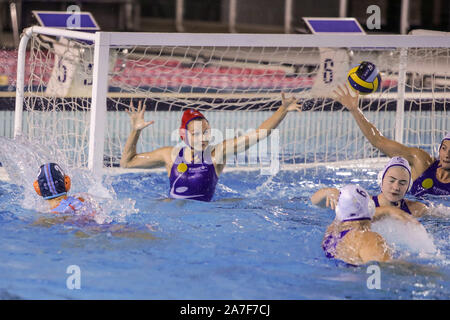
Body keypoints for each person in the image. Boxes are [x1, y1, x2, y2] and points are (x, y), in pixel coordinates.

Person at [120, 94, 300, 201]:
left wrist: (282, 110)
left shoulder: (218, 154)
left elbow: (260, 134)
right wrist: (135, 131)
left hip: (203, 219)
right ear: (183, 135)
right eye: (196, 134)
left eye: (206, 133)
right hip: (173, 214)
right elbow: (127, 163)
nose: (203, 139)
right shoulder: (170, 155)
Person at [333, 84, 449, 198]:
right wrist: (355, 109)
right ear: (439, 149)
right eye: (444, 148)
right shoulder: (422, 162)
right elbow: (378, 141)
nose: (447, 155)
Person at [33, 162, 155, 239]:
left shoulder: (51, 214)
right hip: (99, 223)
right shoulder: (80, 197)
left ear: (38, 189)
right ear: (66, 183)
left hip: (84, 229)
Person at [311, 157, 429, 220]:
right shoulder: (362, 203)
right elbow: (314, 202)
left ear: (408, 187)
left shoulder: (417, 209)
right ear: (381, 180)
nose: (396, 187)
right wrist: (328, 192)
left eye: (402, 183)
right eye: (391, 180)